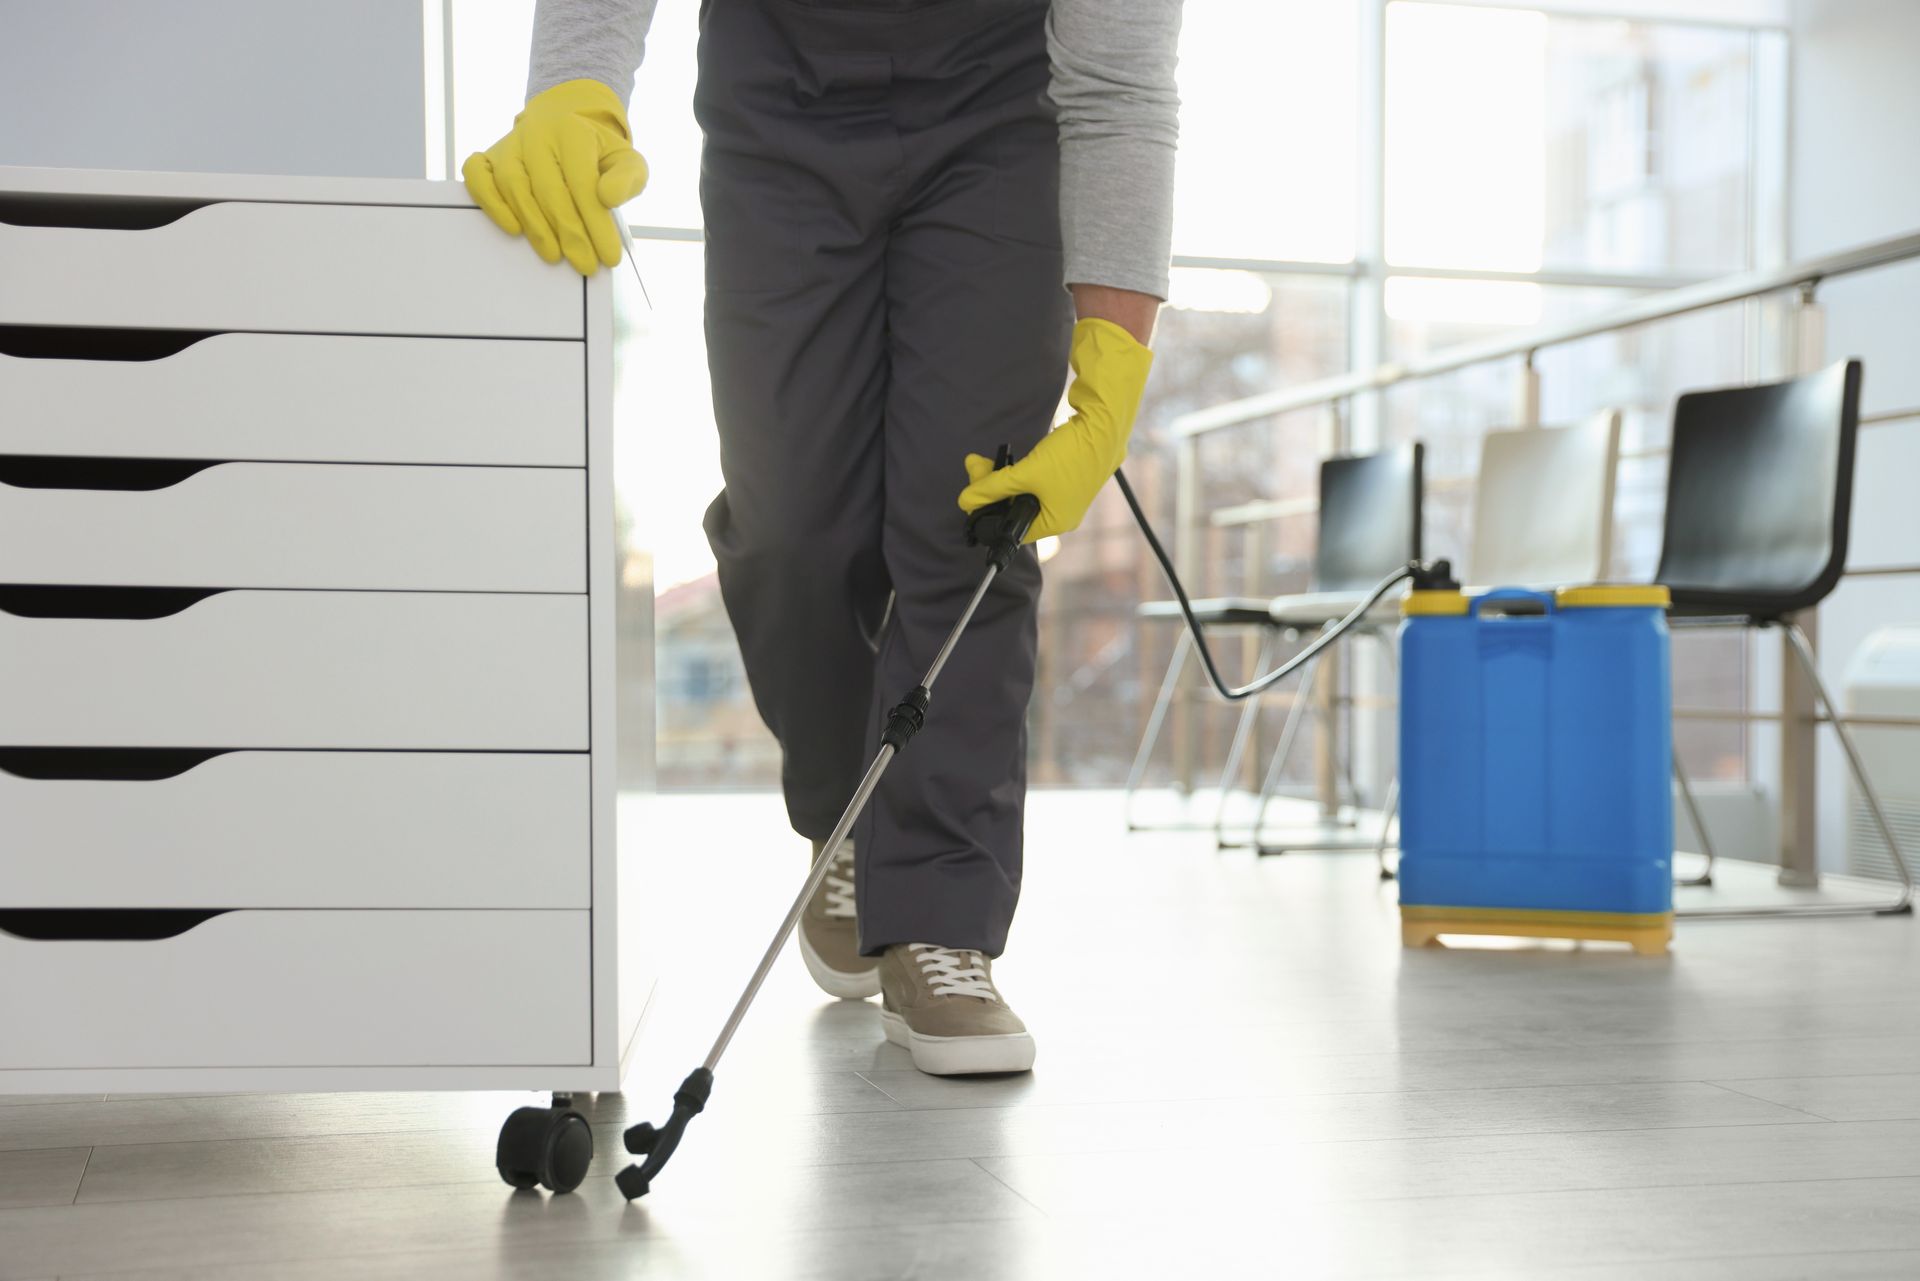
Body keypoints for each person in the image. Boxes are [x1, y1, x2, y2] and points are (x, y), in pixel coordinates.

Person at [466, 0, 1182, 1077]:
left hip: (999, 108)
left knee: (971, 514)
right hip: (778, 92)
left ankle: (941, 919)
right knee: (791, 518)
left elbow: (1121, 82)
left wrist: (1115, 362)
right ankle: (847, 818)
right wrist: (577, 86)